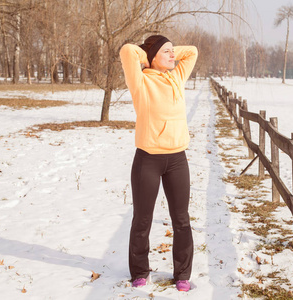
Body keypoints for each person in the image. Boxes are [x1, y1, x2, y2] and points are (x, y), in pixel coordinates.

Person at [119, 35, 198, 292]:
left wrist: (166, 51)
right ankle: (140, 272)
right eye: (166, 51)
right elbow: (128, 51)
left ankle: (183, 275)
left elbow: (193, 52)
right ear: (152, 56)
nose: (173, 55)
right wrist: (149, 54)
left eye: (173, 51)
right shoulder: (140, 81)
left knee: (182, 219)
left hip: (177, 159)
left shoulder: (176, 77)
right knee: (142, 219)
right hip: (148, 160)